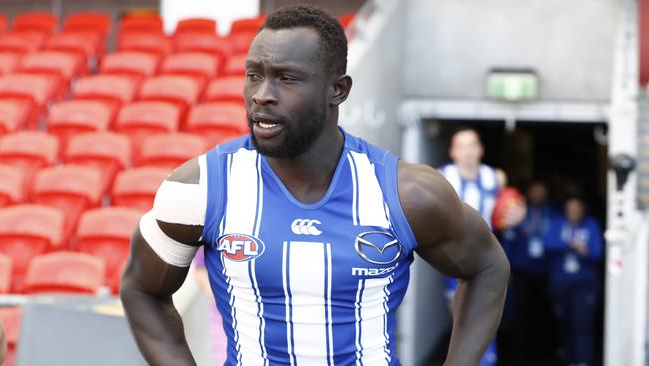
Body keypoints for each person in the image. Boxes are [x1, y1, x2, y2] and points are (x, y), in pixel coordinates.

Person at [120, 6, 510, 365]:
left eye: (286, 79)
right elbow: (142, 290)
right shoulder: (198, 188)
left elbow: (487, 267)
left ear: (337, 90)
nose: (262, 95)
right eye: (254, 74)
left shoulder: (409, 194)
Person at [439, 127, 524, 366]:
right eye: (461, 146)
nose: (467, 151)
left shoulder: (495, 177)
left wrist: (517, 216)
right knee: (463, 323)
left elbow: (508, 216)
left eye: (471, 145)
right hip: (454, 261)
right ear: (452, 151)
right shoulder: (442, 176)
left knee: (485, 322)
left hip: (486, 259)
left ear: (480, 149)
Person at [501, 180, 556, 365]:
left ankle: (542, 351)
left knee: (543, 311)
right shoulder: (519, 212)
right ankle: (520, 353)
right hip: (522, 271)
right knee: (521, 311)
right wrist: (507, 268)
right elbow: (508, 240)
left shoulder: (552, 213)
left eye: (542, 192)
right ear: (529, 193)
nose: (538, 195)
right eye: (535, 191)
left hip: (545, 271)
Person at [545, 196, 603, 366]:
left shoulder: (591, 225)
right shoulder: (557, 222)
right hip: (561, 283)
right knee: (564, 322)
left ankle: (583, 360)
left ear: (583, 210)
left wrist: (585, 251)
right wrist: (569, 245)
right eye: (570, 209)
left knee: (582, 322)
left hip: (584, 284)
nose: (574, 213)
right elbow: (548, 243)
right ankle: (569, 359)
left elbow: (598, 253)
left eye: (577, 209)